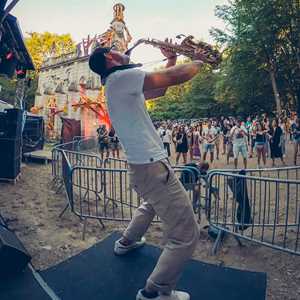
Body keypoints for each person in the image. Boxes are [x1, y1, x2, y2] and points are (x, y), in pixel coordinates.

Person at [89, 44, 205, 300]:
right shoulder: (121, 77)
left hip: (144, 167)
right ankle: (156, 291)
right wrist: (199, 60)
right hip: (152, 166)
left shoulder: (119, 82)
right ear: (110, 57)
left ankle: (127, 241)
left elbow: (160, 88)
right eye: (117, 49)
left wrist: (172, 58)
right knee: (186, 235)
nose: (124, 51)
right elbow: (175, 77)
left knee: (150, 204)